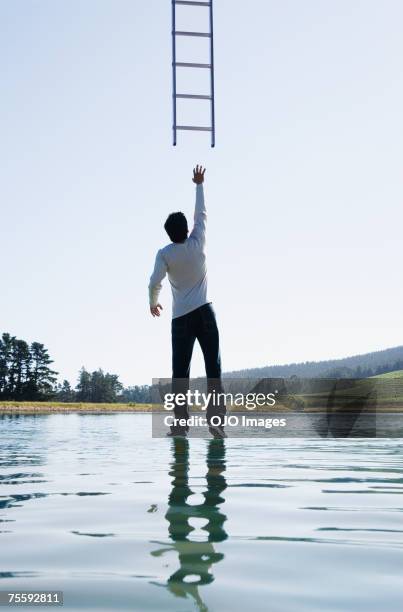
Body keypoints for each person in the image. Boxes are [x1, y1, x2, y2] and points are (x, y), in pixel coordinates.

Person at [148, 165, 226, 438]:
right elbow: (201, 215)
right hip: (205, 313)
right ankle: (216, 423)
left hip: (180, 319)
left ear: (169, 234)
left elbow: (154, 282)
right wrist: (199, 184)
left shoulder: (165, 253)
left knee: (180, 373)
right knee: (213, 369)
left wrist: (153, 302)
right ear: (186, 230)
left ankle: (180, 425)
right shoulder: (197, 243)